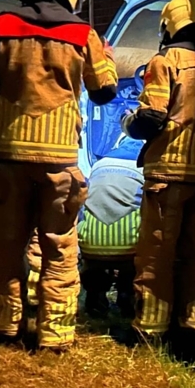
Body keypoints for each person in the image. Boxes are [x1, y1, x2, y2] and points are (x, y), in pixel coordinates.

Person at [0, 0, 117, 350]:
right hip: (58, 165)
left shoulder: (1, 26)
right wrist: (109, 62)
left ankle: (4, 327)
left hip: (7, 160)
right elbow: (105, 92)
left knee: (9, 246)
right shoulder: (84, 35)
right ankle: (54, 335)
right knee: (59, 244)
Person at [122, 0, 195, 338]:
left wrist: (128, 122)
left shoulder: (167, 60)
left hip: (168, 177)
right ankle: (191, 325)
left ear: (167, 26)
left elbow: (151, 117)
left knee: (157, 252)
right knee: (193, 255)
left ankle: (150, 328)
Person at [78, 133, 145, 318]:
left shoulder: (99, 165)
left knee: (94, 264)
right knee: (135, 258)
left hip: (90, 245)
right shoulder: (145, 167)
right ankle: (127, 296)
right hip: (128, 247)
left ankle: (95, 299)